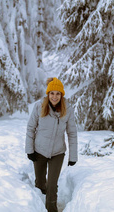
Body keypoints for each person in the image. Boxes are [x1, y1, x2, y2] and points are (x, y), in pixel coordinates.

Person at [25, 77, 78, 212]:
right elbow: (30, 128)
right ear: (48, 94)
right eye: (52, 93)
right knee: (40, 183)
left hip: (57, 152)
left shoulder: (68, 110)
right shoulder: (39, 106)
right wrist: (29, 150)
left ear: (62, 95)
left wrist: (73, 157)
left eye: (58, 93)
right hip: (39, 150)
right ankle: (38, 206)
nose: (54, 97)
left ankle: (51, 209)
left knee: (52, 185)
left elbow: (72, 134)